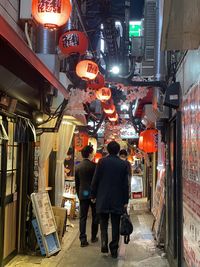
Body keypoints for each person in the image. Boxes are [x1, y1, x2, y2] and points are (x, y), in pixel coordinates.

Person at [91, 141, 129, 258]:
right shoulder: (123, 164)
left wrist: (93, 195)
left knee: (103, 223)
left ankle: (103, 243)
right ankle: (113, 248)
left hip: (103, 198)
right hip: (117, 199)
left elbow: (95, 179)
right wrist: (125, 201)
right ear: (118, 151)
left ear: (107, 150)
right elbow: (125, 184)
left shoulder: (102, 162)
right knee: (115, 224)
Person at [75, 145, 98, 247]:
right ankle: (93, 237)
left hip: (82, 194)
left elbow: (77, 183)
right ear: (89, 154)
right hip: (93, 195)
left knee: (83, 217)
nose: (93, 154)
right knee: (95, 216)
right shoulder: (94, 166)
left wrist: (78, 194)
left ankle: (82, 239)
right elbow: (97, 182)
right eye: (92, 152)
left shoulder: (78, 167)